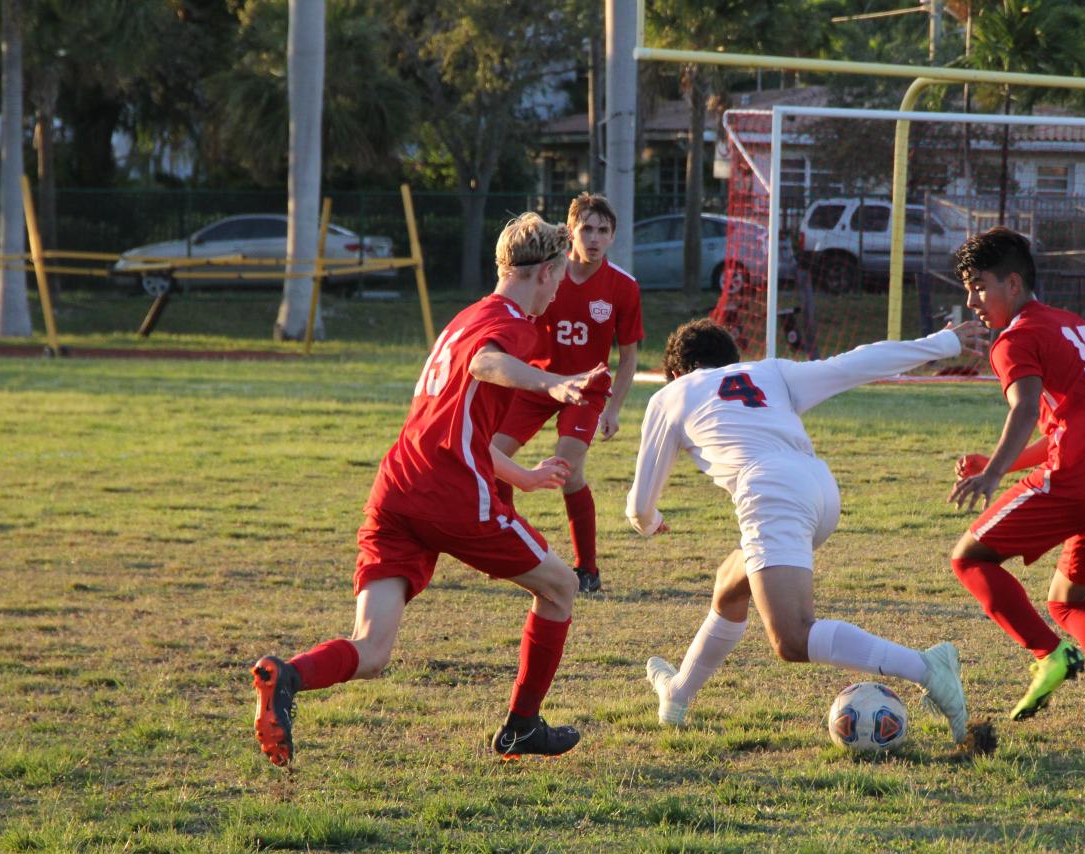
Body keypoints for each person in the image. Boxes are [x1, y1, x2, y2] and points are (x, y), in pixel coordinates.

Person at [250, 213, 610, 768]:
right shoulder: (513, 325)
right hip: (449, 495)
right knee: (562, 587)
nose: (559, 289)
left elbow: (458, 423)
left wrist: (524, 477)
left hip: (397, 488)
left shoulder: (465, 317)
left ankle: (288, 676)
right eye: (559, 278)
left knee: (372, 649)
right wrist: (552, 383)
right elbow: (487, 364)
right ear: (542, 272)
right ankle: (521, 726)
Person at [625, 318, 973, 744]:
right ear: (734, 362)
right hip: (820, 490)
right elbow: (855, 363)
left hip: (771, 492)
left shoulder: (670, 395)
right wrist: (942, 341)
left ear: (677, 372)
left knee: (791, 638)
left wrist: (650, 522)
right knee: (729, 586)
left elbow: (640, 505)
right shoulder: (769, 371)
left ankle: (927, 666)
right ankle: (677, 693)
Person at [947, 227, 1085, 735]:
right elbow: (1072, 424)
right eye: (968, 287)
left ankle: (1049, 655)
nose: (971, 300)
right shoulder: (1073, 325)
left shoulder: (1016, 339)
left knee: (969, 558)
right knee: (1067, 601)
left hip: (1078, 482)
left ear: (1014, 283)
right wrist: (1002, 462)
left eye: (980, 286)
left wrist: (995, 472)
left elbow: (1025, 407)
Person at [493, 193, 643, 594]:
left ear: (613, 236)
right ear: (570, 230)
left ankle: (587, 570)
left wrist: (614, 409)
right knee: (489, 455)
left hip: (586, 390)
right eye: (587, 229)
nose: (594, 238)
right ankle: (507, 548)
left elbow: (628, 358)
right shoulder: (544, 274)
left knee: (567, 470)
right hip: (535, 384)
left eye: (603, 231)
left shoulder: (623, 286)